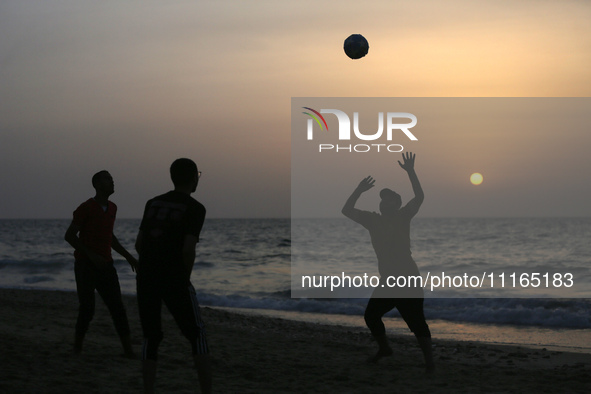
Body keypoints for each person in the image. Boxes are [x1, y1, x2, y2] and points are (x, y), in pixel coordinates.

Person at [341, 152, 434, 373]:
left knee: (417, 323)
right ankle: (385, 349)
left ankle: (430, 362)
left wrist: (411, 171)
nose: (384, 202)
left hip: (408, 278)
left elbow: (420, 197)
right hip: (388, 281)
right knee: (371, 316)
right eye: (382, 199)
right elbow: (346, 210)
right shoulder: (373, 220)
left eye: (389, 198)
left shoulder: (403, 216)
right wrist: (358, 190)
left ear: (397, 203)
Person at [135, 158, 212, 394]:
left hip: (146, 276)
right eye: (198, 174)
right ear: (193, 178)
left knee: (151, 336)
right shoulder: (195, 208)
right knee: (196, 334)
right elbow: (188, 248)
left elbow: (139, 244)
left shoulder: (153, 203)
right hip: (174, 277)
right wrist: (183, 278)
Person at [64, 170, 138, 357]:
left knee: (118, 308)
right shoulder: (86, 207)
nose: (112, 181)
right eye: (108, 179)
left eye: (112, 179)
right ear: (97, 184)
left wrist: (129, 256)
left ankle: (128, 350)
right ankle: (77, 348)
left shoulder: (112, 208)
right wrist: (90, 254)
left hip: (106, 265)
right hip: (85, 266)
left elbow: (110, 237)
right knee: (88, 309)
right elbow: (70, 235)